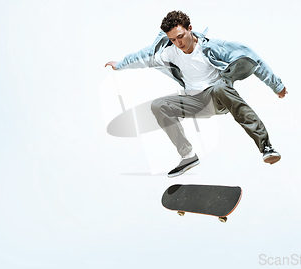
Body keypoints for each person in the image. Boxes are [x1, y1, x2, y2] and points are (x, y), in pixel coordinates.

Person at [105, 10, 287, 177]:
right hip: (194, 102)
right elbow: (141, 58)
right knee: (158, 105)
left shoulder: (214, 47)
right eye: (173, 40)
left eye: (181, 37)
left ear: (190, 28)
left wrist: (276, 86)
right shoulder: (168, 53)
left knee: (219, 87)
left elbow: (251, 56)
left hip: (219, 98)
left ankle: (266, 148)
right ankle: (188, 155)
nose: (179, 43)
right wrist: (119, 64)